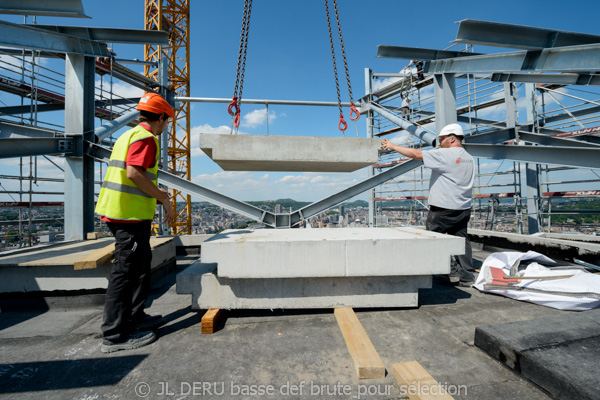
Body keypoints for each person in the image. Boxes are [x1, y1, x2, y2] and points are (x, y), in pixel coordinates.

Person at [95, 93, 176, 353]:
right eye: (167, 121)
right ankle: (115, 335)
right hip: (126, 216)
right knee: (125, 272)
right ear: (161, 117)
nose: (166, 127)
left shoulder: (128, 135)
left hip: (126, 213)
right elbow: (133, 173)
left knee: (140, 266)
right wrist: (163, 197)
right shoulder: (147, 138)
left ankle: (135, 317)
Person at [380, 123, 475, 286]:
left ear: (452, 139)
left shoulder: (446, 155)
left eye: (442, 139)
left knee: (433, 239)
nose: (440, 142)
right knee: (461, 240)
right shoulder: (469, 157)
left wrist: (392, 146)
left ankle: (445, 272)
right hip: (463, 208)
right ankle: (467, 276)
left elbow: (417, 154)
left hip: (443, 208)